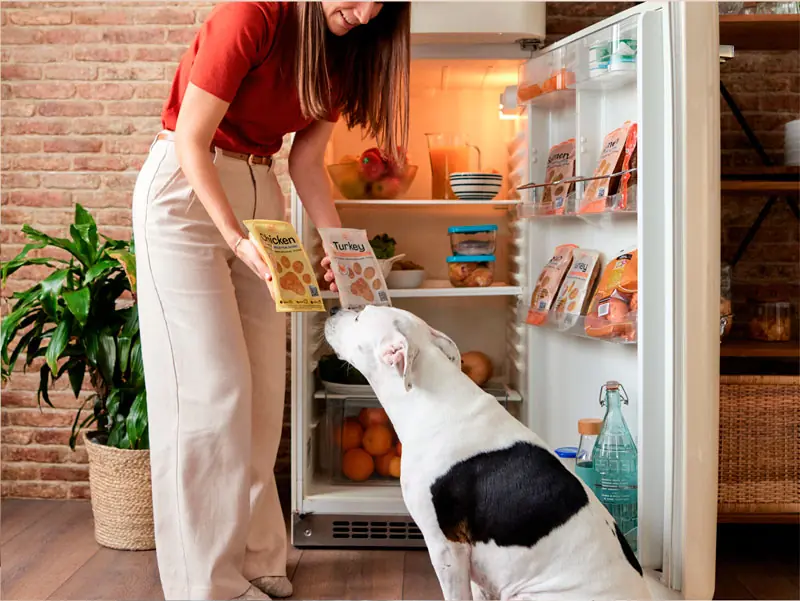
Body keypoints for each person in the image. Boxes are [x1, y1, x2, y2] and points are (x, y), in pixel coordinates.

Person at [131, 3, 410, 599]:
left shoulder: (344, 49)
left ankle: (258, 559)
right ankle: (206, 584)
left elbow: (304, 159)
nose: (364, 13)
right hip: (187, 193)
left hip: (264, 194)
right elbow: (191, 138)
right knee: (209, 393)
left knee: (262, 391)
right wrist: (233, 235)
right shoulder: (254, 14)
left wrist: (339, 247)